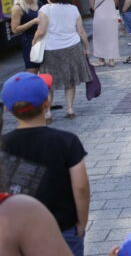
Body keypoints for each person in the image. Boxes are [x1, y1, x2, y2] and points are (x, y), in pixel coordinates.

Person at [0, 72, 90, 256]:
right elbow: (80, 187)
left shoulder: (3, 145)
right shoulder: (67, 141)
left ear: (9, 110)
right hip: (62, 227)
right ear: (47, 102)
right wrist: (81, 224)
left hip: (15, 229)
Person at [32, 0, 91, 120]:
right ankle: (70, 109)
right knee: (70, 81)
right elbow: (81, 31)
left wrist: (34, 42)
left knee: (48, 82)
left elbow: (41, 31)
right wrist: (87, 47)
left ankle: (47, 113)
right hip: (72, 47)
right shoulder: (73, 9)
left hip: (51, 49)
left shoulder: (45, 10)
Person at [90, 0, 119, 67]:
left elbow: (92, 5)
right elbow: (115, 4)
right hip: (111, 16)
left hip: (99, 16)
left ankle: (101, 60)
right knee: (111, 38)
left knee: (99, 38)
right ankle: (111, 60)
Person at [9, 0, 40, 73]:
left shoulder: (39, 3)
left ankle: (45, 88)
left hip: (42, 37)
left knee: (46, 70)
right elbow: (14, 29)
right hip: (29, 40)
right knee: (32, 70)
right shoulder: (18, 8)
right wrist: (33, 21)